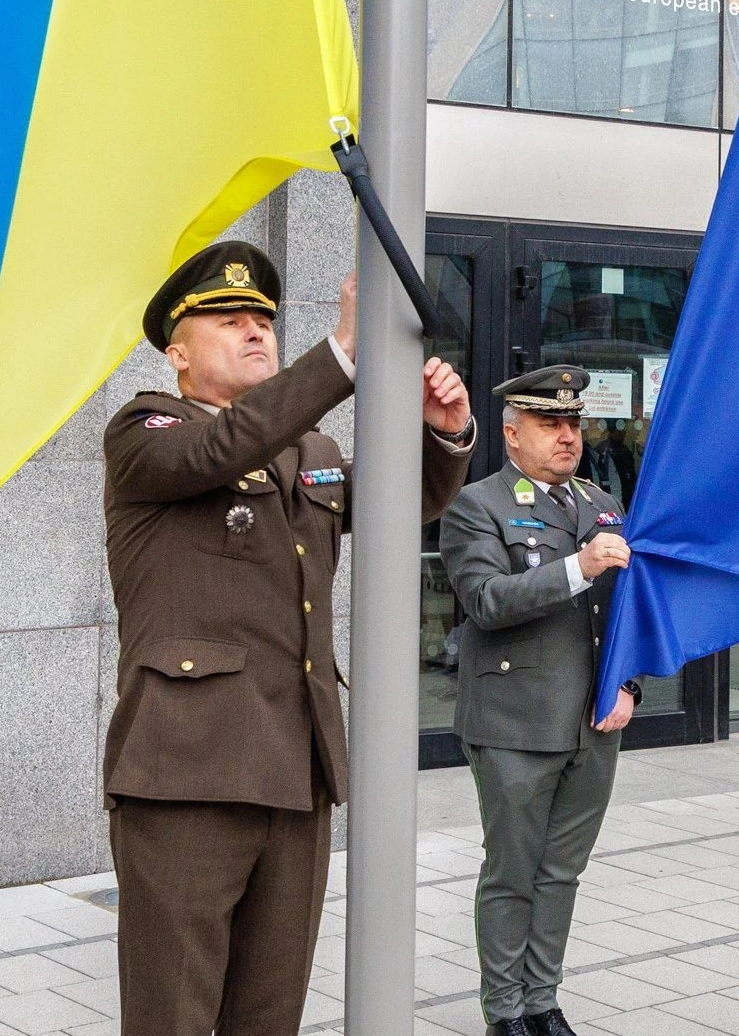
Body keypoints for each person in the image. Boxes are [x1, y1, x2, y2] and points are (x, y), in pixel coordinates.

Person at [103, 241, 475, 1036]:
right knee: (172, 1015)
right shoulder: (144, 430)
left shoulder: (314, 452)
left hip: (296, 770)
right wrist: (341, 354)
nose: (255, 331)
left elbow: (394, 511)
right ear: (176, 351)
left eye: (265, 321)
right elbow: (216, 449)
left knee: (268, 1016)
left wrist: (444, 435)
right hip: (187, 774)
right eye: (229, 320)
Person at [442, 366, 645, 1036]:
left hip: (595, 720)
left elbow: (633, 611)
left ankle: (541, 999)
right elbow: (484, 602)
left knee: (562, 872)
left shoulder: (598, 501)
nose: (568, 437)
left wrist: (631, 684)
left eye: (573, 424)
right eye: (550, 424)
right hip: (515, 721)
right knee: (513, 873)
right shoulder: (479, 505)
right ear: (512, 433)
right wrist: (576, 569)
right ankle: (503, 1011)